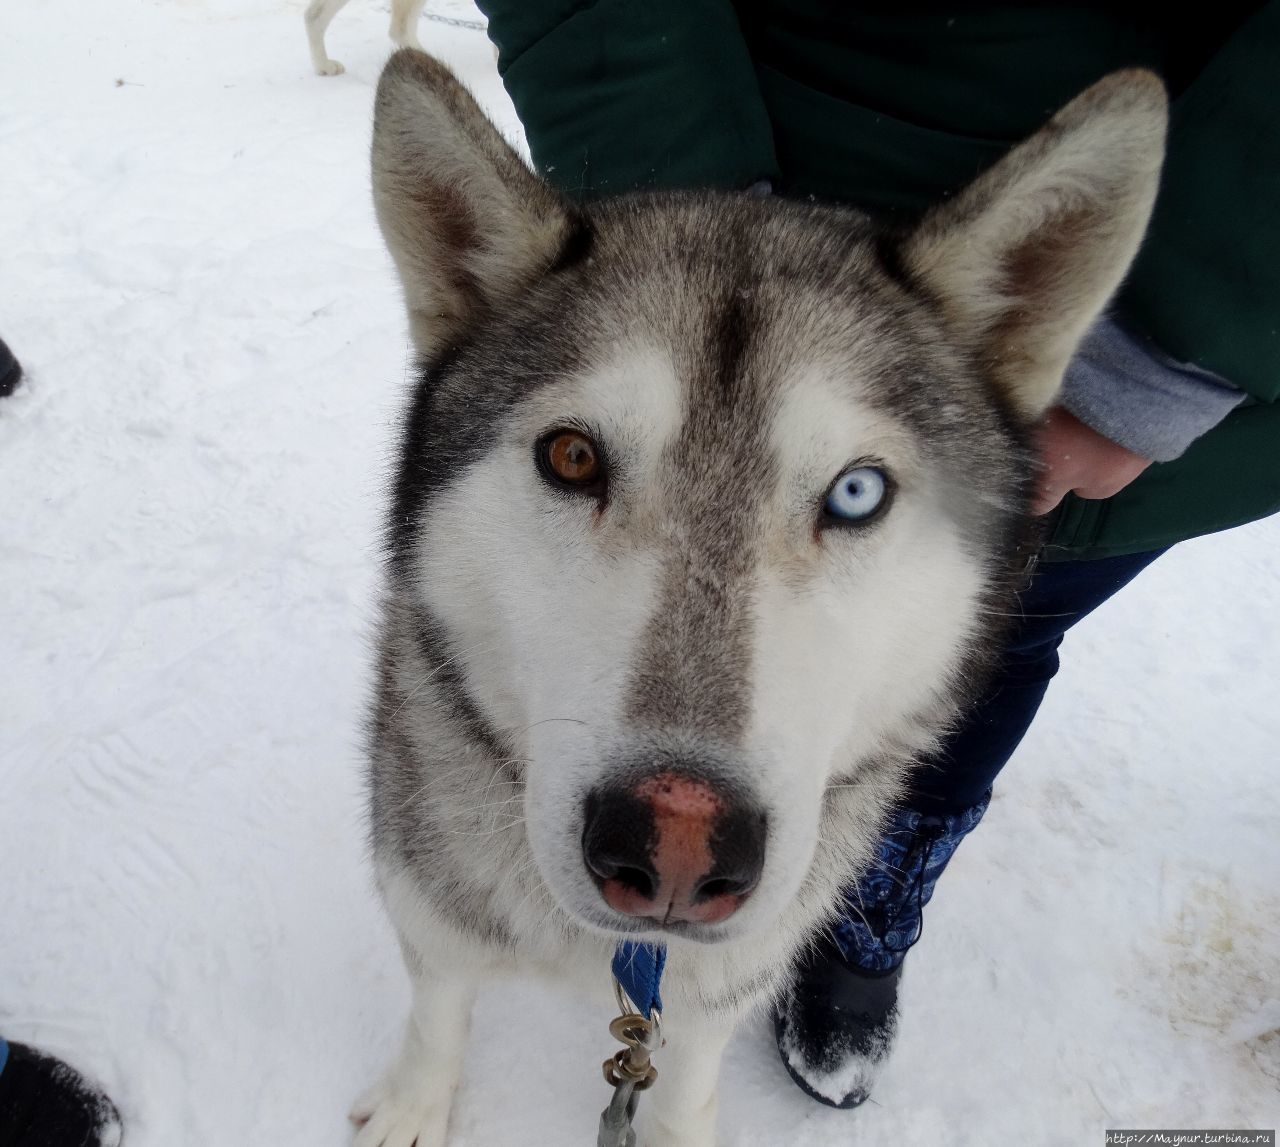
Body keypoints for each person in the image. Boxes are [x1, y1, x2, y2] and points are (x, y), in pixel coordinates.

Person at [475, 0, 1280, 1107]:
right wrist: (679, 218)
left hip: (1147, 337)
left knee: (995, 642)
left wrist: (1172, 337)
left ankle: (870, 891)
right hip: (744, 165)